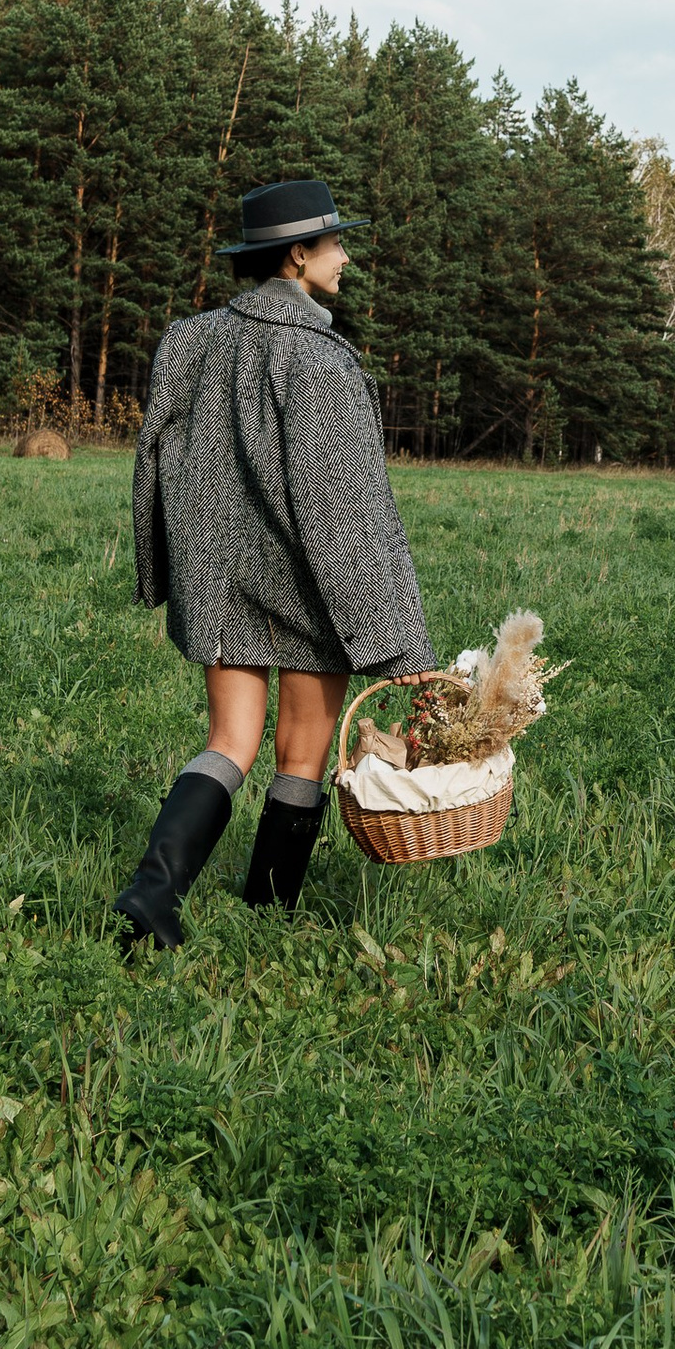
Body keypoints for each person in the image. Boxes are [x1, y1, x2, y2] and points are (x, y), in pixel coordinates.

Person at [114, 178, 435, 950]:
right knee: (302, 754)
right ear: (297, 256)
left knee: (229, 741)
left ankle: (152, 898)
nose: (346, 258)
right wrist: (402, 646)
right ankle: (268, 916)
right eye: (335, 244)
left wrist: (165, 570)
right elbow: (344, 515)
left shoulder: (190, 339)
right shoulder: (320, 359)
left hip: (217, 575)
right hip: (306, 583)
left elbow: (151, 460)